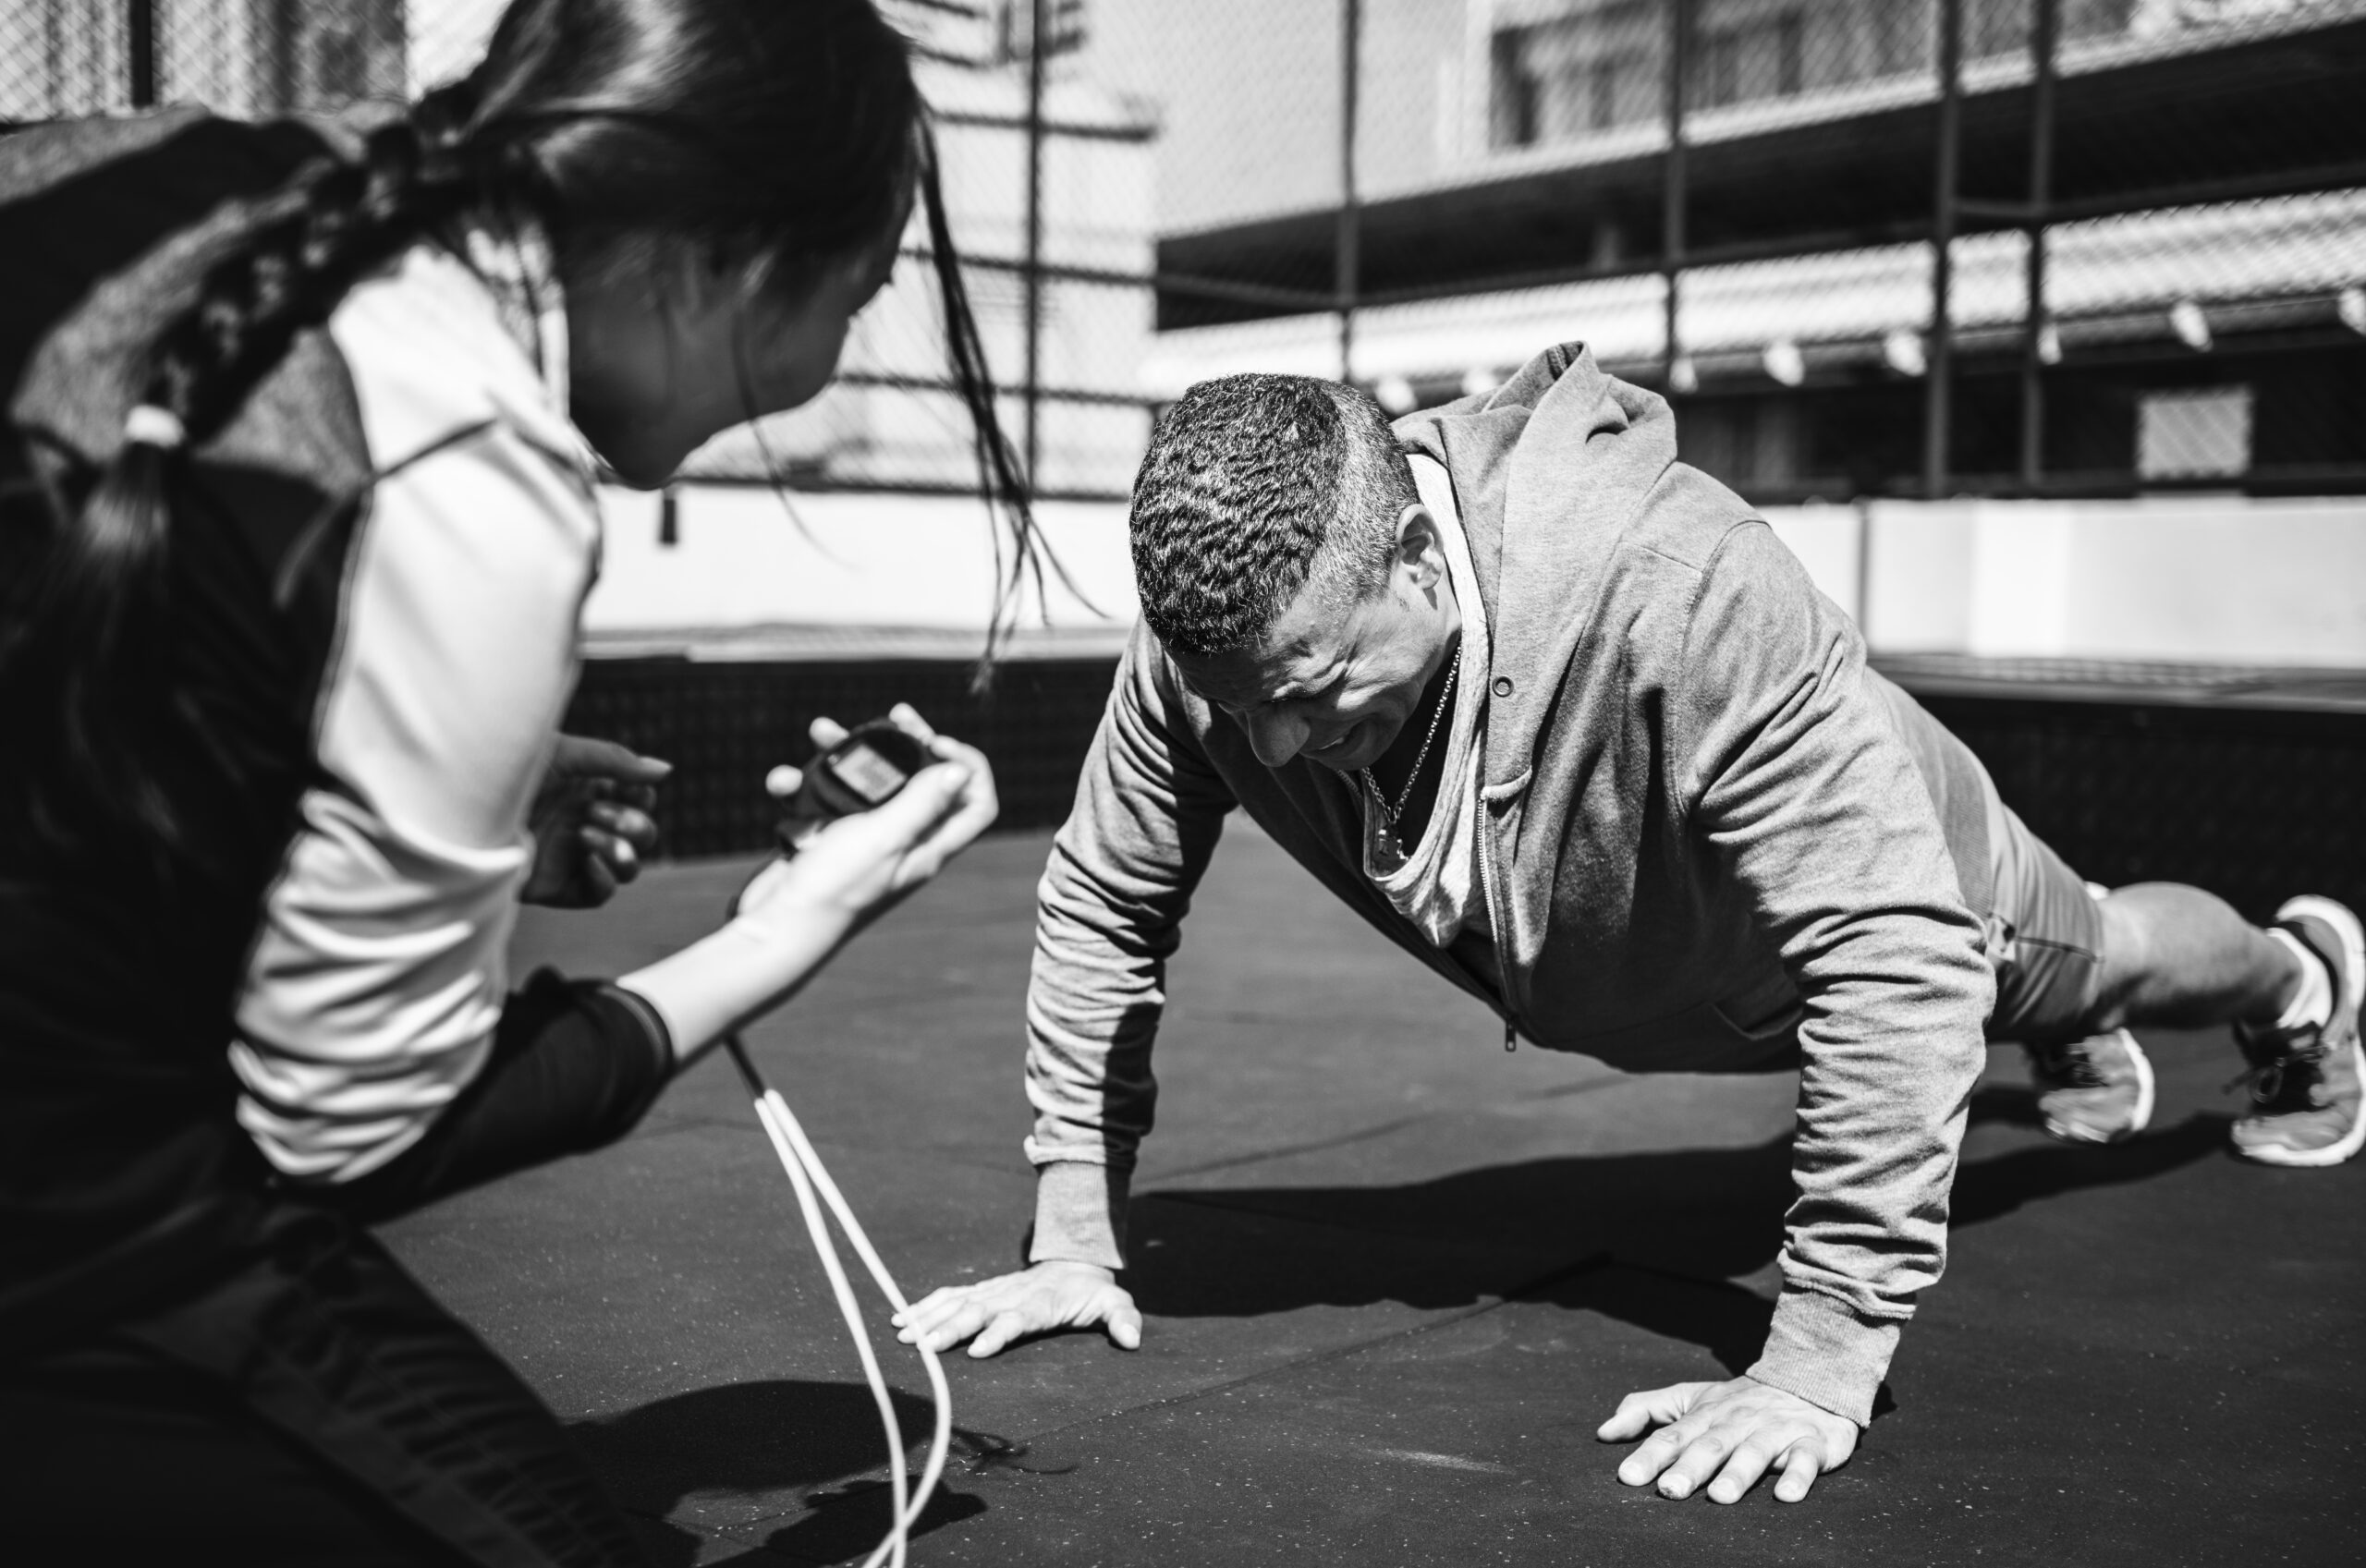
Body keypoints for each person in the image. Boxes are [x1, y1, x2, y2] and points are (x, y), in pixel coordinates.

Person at [895, 348, 2365, 1507]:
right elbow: (1105, 894)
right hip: (1692, 973)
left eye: (1315, 690)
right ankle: (2079, 1031)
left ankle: (2304, 978)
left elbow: (1897, 953)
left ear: (1417, 555)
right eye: (1239, 703)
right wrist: (1078, 1233)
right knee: (2026, 1005)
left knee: (2098, 947)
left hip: (1913, 880)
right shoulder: (1211, 659)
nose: (1272, 747)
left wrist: (1819, 1356)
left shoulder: (1680, 590)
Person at [0, 2, 1019, 1561]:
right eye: (858, 299)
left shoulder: (170, 171)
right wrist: (795, 920)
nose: (820, 371)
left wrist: (372, 769)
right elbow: (342, 1133)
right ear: (730, 264)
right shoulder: (476, 475)